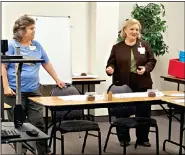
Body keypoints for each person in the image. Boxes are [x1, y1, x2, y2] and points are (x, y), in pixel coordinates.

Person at [2, 14, 65, 155]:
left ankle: (44, 151)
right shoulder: (12, 46)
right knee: (18, 125)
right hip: (14, 91)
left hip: (33, 89)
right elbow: (3, 67)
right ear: (21, 30)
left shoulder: (36, 45)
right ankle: (22, 151)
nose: (33, 31)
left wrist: (57, 79)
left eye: (34, 28)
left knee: (38, 122)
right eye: (31, 28)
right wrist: (5, 87)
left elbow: (46, 63)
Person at [106, 18, 157, 147]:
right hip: (122, 85)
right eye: (132, 29)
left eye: (137, 29)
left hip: (142, 83)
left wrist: (146, 68)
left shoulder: (144, 44)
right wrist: (110, 68)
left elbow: (152, 60)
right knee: (122, 111)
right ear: (125, 30)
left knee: (143, 111)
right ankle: (123, 138)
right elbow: (111, 63)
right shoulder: (117, 47)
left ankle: (143, 138)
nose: (134, 32)